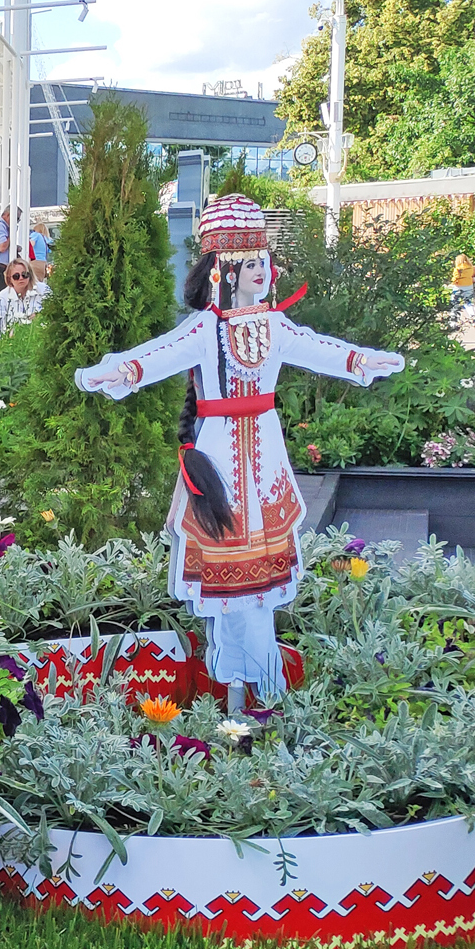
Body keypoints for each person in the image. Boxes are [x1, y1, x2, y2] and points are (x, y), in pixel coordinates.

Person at [77, 195, 403, 709]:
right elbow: (160, 355)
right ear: (224, 272)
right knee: (229, 593)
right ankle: (237, 685)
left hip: (265, 461)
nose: (262, 270)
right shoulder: (207, 328)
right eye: (250, 263)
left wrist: (361, 360)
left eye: (262, 261)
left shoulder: (274, 326)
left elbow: (319, 348)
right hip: (220, 463)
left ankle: (253, 687)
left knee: (256, 590)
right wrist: (121, 371)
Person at [0, 260, 46, 340]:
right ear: (9, 279)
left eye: (24, 274)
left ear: (30, 275)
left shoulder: (43, 290)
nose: (21, 278)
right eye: (16, 276)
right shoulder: (1, 299)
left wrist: (40, 316)